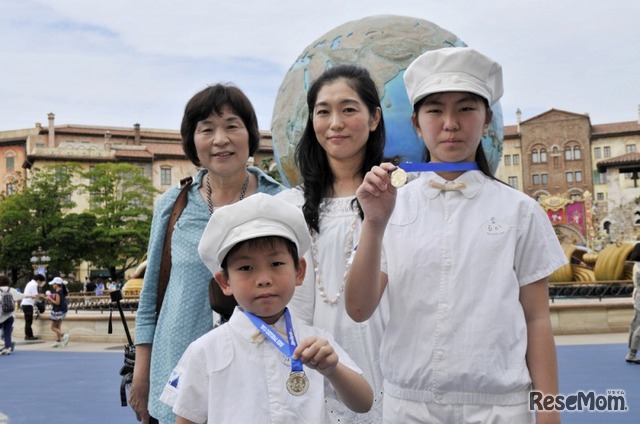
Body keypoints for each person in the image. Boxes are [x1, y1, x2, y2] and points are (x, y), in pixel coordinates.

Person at [344, 47, 567, 424]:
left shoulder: (520, 211)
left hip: (500, 407)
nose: (450, 123)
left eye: (465, 108)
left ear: (487, 119)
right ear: (417, 123)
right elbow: (359, 309)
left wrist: (549, 414)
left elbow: (536, 320)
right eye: (435, 110)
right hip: (410, 407)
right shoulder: (388, 207)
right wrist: (374, 224)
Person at [131, 83, 284, 424]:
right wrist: (142, 374)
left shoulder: (280, 202)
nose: (220, 139)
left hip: (258, 371)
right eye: (207, 129)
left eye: (232, 125)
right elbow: (151, 293)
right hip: (177, 372)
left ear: (249, 136)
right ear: (193, 142)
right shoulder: (173, 205)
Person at [161, 193, 373, 423]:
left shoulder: (317, 344)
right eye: (246, 267)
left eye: (276, 264)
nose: (263, 279)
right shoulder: (205, 351)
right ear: (225, 282)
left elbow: (363, 403)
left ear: (299, 271)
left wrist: (333, 370)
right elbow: (186, 418)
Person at [277, 64, 387, 422]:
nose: (335, 122)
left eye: (349, 109)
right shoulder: (288, 207)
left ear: (374, 118)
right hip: (307, 365)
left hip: (384, 361)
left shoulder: (397, 198)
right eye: (323, 111)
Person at [1, 275, 25, 355]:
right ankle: (8, 348)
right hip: (10, 315)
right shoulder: (11, 290)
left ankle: (2, 345)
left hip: (1, 315)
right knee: (7, 333)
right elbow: (22, 296)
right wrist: (34, 296)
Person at [21, 273, 46, 340]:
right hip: (28, 304)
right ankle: (29, 336)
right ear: (38, 280)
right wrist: (43, 296)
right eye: (41, 281)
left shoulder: (30, 283)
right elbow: (35, 296)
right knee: (29, 321)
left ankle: (29, 335)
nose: (41, 283)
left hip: (26, 304)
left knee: (28, 321)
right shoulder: (33, 285)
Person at [626, 243, 640, 364]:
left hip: (637, 297)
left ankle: (631, 351)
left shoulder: (636, 265)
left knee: (635, 324)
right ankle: (632, 353)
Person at [46, 277, 69, 348]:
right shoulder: (62, 291)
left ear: (56, 284)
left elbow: (57, 303)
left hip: (58, 311)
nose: (53, 285)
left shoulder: (58, 292)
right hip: (63, 311)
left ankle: (64, 335)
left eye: (53, 284)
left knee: (53, 327)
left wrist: (49, 299)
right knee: (58, 326)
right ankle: (58, 341)